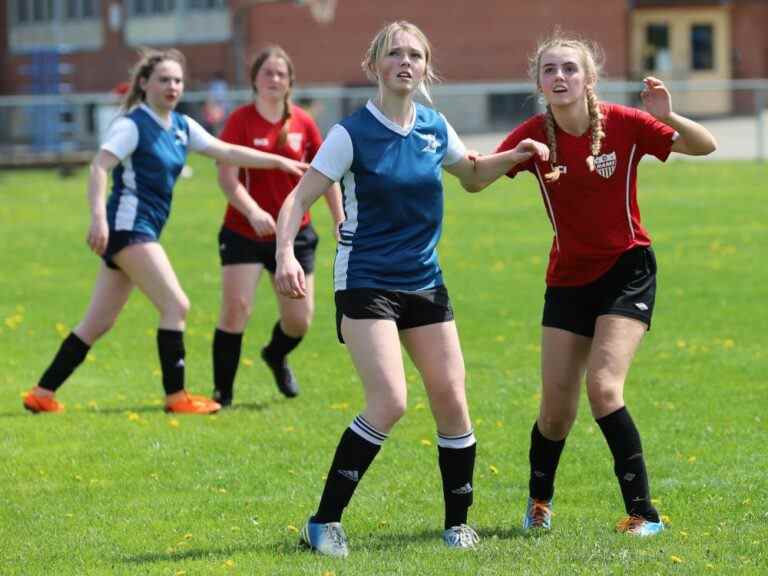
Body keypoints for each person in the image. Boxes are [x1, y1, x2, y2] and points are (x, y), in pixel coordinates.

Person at [274, 21, 549, 557]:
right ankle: (323, 523)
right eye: (395, 54)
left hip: (424, 281)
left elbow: (469, 175)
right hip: (366, 282)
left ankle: (457, 524)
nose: (405, 62)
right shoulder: (350, 133)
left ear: (426, 67)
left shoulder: (433, 125)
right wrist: (286, 253)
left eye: (415, 55)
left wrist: (513, 158)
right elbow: (296, 201)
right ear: (375, 65)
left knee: (452, 398)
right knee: (390, 401)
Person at [486, 32, 716, 535]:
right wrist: (510, 157)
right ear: (539, 82)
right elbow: (473, 178)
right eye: (550, 70)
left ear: (589, 78)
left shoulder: (625, 124)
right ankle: (539, 505)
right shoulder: (532, 134)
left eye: (570, 68)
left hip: (626, 271)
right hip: (567, 279)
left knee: (604, 388)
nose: (560, 77)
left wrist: (669, 114)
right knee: (554, 413)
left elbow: (705, 145)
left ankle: (644, 515)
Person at [23, 48, 308, 415]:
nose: (172, 86)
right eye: (163, 79)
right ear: (144, 84)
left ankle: (42, 394)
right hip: (129, 230)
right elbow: (99, 167)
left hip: (138, 232)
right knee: (176, 305)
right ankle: (177, 397)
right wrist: (97, 218)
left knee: (97, 322)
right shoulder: (132, 124)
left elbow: (227, 152)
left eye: (177, 80)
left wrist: (278, 160)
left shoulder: (181, 126)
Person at [211, 46, 343, 406]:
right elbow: (227, 177)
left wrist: (339, 220)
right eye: (267, 72)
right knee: (236, 308)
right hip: (243, 231)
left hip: (296, 234)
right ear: (254, 79)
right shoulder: (240, 120)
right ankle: (222, 394)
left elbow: (327, 174)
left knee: (299, 321)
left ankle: (275, 354)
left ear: (290, 82)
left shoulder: (303, 122)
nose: (274, 79)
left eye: (280, 74)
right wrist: (252, 211)